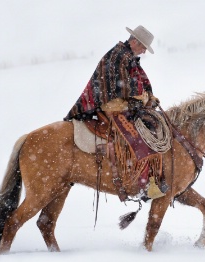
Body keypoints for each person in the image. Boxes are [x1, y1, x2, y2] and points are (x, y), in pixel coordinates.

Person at [64, 25, 165, 201]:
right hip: (111, 105)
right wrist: (143, 98)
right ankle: (141, 182)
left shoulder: (127, 56)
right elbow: (123, 87)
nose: (143, 52)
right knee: (137, 135)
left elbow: (135, 84)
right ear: (134, 41)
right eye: (142, 47)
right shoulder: (120, 56)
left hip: (119, 102)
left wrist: (147, 97)